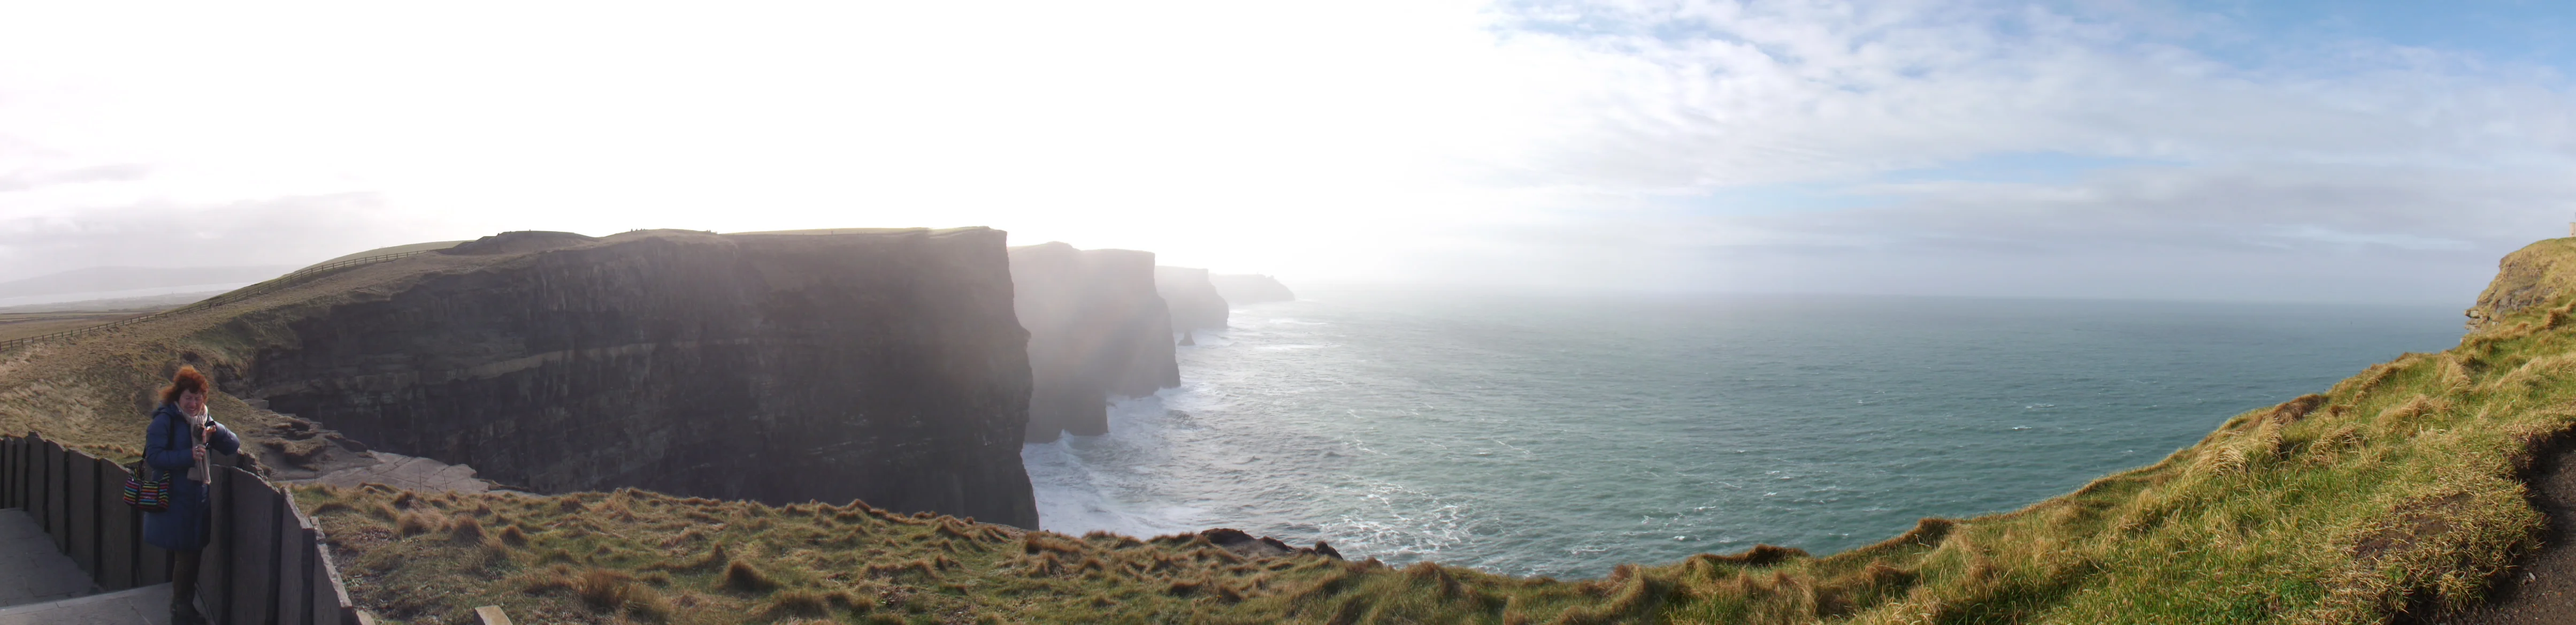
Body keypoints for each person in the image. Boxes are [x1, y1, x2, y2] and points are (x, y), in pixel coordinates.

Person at [142, 365, 239, 625]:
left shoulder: (204, 421)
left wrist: (216, 429)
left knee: (191, 553)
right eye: (188, 398)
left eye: (198, 398)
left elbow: (233, 446)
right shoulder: (164, 421)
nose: (194, 403)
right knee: (187, 554)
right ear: (177, 398)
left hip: (197, 501)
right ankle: (182, 611)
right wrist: (188, 456)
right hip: (175, 500)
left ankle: (183, 607)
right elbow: (154, 457)